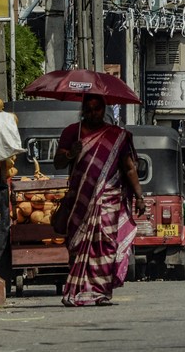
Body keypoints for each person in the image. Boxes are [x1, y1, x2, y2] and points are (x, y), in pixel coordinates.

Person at [52, 94, 144, 307]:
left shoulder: (116, 136)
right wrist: (70, 154)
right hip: (79, 200)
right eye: (89, 109)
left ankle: (101, 292)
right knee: (78, 244)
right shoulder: (71, 133)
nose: (94, 113)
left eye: (97, 109)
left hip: (108, 198)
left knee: (105, 245)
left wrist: (139, 195)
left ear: (104, 110)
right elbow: (57, 162)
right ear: (83, 110)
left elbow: (129, 168)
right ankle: (76, 291)